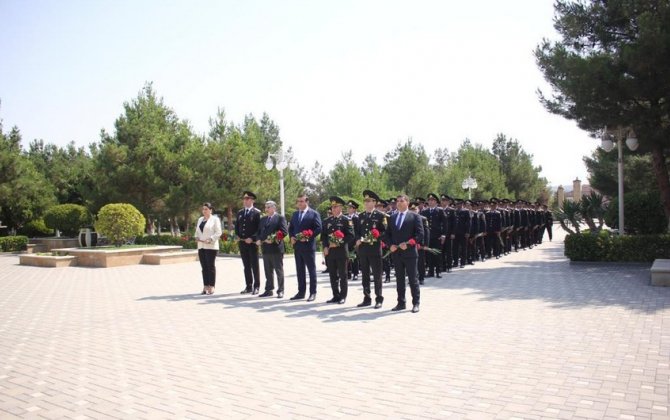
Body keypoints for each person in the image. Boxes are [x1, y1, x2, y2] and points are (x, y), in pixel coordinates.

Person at [384, 194, 424, 313]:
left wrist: (409, 244)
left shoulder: (414, 216)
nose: (399, 203)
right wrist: (390, 245)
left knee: (413, 279)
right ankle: (401, 302)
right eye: (398, 201)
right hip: (396, 253)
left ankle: (415, 303)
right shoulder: (392, 217)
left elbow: (420, 234)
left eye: (402, 201)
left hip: (410, 253)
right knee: (399, 279)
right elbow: (387, 235)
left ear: (407, 202)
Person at [355, 190, 387, 308]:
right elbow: (357, 232)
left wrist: (376, 236)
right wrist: (358, 239)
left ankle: (379, 298)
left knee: (377, 275)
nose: (366, 203)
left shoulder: (380, 216)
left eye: (369, 201)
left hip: (374, 249)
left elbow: (384, 232)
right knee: (365, 275)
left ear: (374, 202)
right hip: (363, 249)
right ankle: (367, 297)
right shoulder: (361, 216)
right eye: (365, 201)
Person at [288, 194, 322, 301]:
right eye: (298, 201)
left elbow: (318, 228)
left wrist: (308, 237)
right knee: (300, 270)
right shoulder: (295, 214)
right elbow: (291, 228)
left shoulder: (314, 214)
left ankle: (313, 293)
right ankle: (301, 292)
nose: (299, 203)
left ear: (307, 202)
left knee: (311, 270)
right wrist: (292, 237)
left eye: (301, 201)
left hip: (308, 246)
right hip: (297, 247)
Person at [322, 196, 355, 304]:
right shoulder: (327, 221)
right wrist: (325, 247)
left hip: (341, 252)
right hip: (330, 253)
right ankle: (335, 295)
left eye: (336, 206)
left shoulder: (346, 220)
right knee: (332, 275)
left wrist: (338, 243)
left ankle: (342, 296)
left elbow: (350, 236)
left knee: (342, 275)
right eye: (332, 207)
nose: (333, 209)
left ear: (341, 207)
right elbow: (324, 236)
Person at [256, 201, 288, 298]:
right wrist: (258, 239)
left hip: (276, 248)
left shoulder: (280, 218)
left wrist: (273, 239)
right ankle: (269, 289)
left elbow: (284, 232)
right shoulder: (263, 219)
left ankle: (280, 290)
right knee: (268, 270)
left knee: (278, 270)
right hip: (265, 248)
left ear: (274, 207)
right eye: (265, 207)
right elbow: (259, 232)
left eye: (268, 207)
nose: (266, 209)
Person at [236, 191, 262, 294]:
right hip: (242, 243)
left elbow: (259, 229)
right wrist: (237, 235)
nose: (245, 201)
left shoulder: (256, 213)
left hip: (252, 243)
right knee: (246, 265)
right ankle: (248, 286)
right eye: (244, 199)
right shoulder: (240, 213)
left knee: (254, 265)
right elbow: (237, 227)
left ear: (252, 200)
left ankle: (257, 286)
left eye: (247, 199)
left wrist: (252, 238)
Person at [195, 202, 222, 295]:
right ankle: (205, 285)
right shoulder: (200, 219)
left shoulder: (215, 219)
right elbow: (197, 231)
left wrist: (211, 239)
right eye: (203, 209)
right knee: (204, 267)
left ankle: (212, 286)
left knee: (210, 266)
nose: (204, 211)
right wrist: (196, 237)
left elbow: (218, 232)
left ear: (211, 210)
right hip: (201, 246)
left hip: (211, 246)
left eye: (206, 209)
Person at [346, 200, 360, 281]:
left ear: (354, 209)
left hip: (354, 241)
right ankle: (348, 272)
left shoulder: (356, 218)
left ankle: (355, 273)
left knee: (354, 258)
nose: (349, 209)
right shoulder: (346, 217)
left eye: (351, 208)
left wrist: (356, 241)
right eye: (348, 207)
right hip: (347, 241)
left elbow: (357, 230)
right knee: (347, 257)